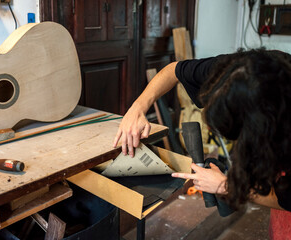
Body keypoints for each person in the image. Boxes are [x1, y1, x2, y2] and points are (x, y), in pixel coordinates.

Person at [112, 49, 290, 238]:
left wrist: (226, 186)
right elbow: (174, 71)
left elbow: (287, 199)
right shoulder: (235, 71)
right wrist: (137, 108)